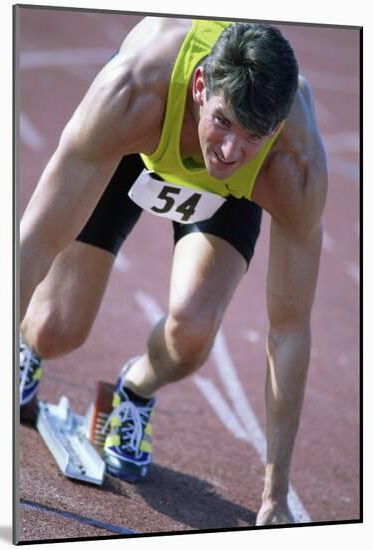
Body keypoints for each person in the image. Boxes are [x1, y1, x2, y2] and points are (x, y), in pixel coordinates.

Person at [19, 17, 328, 526]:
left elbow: (289, 331)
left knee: (193, 333)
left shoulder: (293, 165)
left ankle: (133, 391)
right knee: (55, 329)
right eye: (224, 122)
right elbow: (32, 245)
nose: (229, 151)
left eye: (252, 136)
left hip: (228, 195)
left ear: (275, 129)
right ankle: (26, 353)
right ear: (202, 85)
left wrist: (276, 493)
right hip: (137, 143)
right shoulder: (133, 91)